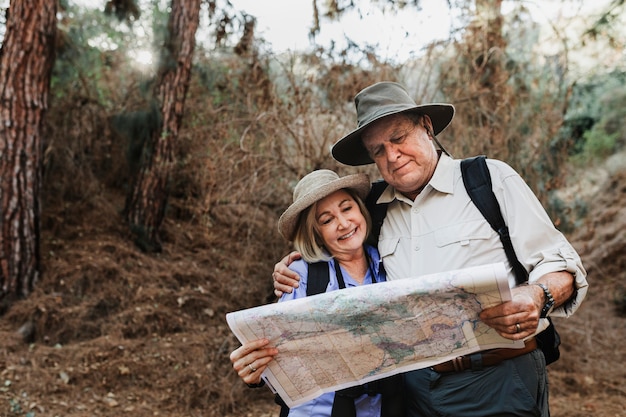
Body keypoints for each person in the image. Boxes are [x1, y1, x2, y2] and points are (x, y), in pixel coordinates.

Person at [272, 81, 589, 417]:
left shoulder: (488, 180)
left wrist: (537, 295)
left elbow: (562, 266)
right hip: (411, 393)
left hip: (498, 381)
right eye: (378, 150)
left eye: (398, 138)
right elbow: (337, 244)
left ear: (426, 126)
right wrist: (299, 265)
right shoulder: (373, 210)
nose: (392, 156)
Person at [229, 169, 405, 417]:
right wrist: (255, 373)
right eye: (327, 220)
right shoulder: (301, 275)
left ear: (360, 209)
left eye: (347, 209)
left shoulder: (389, 263)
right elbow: (276, 354)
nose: (343, 224)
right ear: (316, 232)